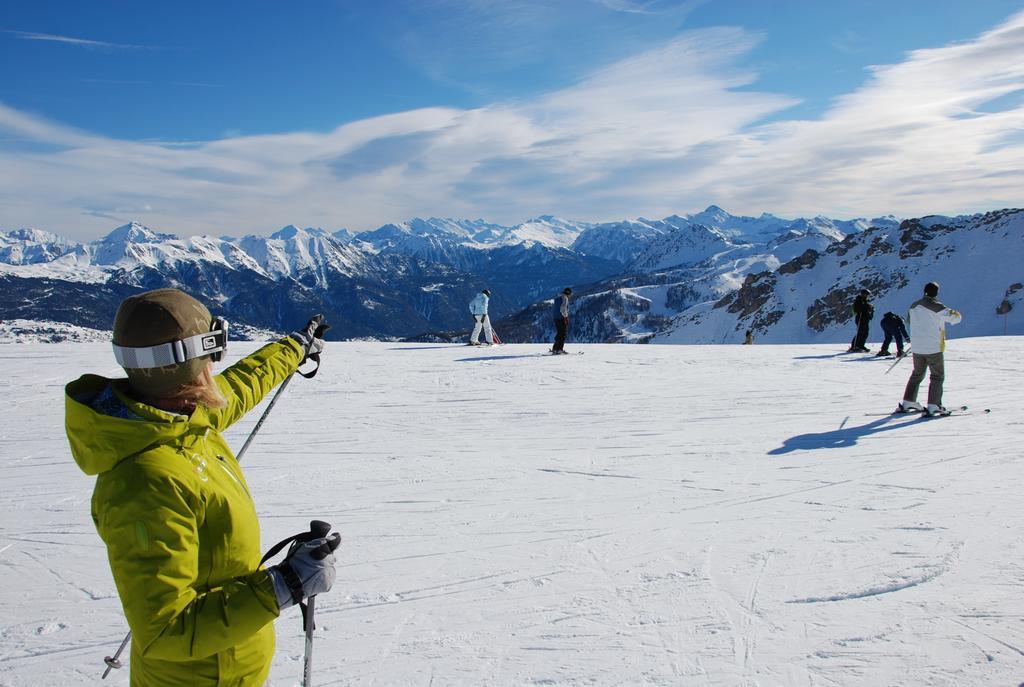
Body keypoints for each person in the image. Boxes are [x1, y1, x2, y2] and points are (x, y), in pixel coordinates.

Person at [65, 288, 339, 686]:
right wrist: (286, 584)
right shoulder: (147, 481)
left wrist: (291, 349)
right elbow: (166, 630)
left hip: (231, 665)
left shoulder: (177, 421)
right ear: (196, 359)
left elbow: (241, 386)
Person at [898, 281, 962, 416]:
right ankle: (934, 405)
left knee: (917, 374)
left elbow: (908, 321)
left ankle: (908, 401)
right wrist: (956, 313)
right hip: (933, 346)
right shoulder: (937, 306)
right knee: (937, 376)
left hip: (917, 346)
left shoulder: (914, 306)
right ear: (936, 293)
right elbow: (955, 318)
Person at [551, 287, 572, 354]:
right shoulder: (565, 298)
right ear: (568, 293)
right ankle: (559, 349)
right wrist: (565, 317)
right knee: (563, 333)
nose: (570, 296)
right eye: (570, 294)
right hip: (561, 318)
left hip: (556, 317)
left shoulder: (558, 297)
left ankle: (555, 348)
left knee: (559, 333)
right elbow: (563, 308)